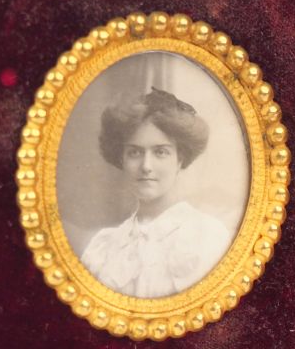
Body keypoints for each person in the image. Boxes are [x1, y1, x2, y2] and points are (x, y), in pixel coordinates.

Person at [81, 87, 233, 298]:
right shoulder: (103, 247)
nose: (146, 166)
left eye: (161, 152)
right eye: (135, 152)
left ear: (179, 159)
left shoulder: (207, 236)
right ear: (122, 159)